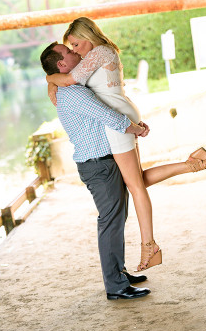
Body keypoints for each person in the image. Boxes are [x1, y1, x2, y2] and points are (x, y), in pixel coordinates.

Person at [44, 17, 206, 272]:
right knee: (135, 181)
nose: (73, 50)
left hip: (117, 121)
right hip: (121, 115)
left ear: (87, 36)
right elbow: (70, 78)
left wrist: (49, 80)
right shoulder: (97, 55)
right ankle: (195, 163)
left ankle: (149, 247)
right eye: (70, 47)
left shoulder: (98, 53)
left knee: (136, 187)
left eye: (74, 44)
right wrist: (52, 81)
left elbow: (69, 80)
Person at [39, 43, 152, 300]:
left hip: (102, 161)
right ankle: (116, 286)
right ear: (62, 65)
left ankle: (119, 273)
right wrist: (138, 128)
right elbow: (110, 117)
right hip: (98, 165)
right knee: (110, 222)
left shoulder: (74, 87)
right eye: (70, 52)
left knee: (117, 219)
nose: (76, 52)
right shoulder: (74, 94)